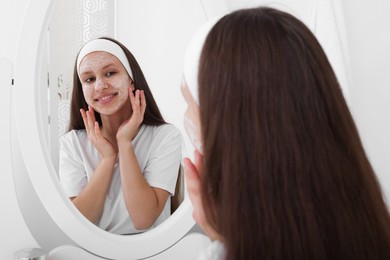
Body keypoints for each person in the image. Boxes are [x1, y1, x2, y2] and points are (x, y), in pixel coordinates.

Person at [181, 7, 390, 260]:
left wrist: (224, 239)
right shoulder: (370, 232)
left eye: (189, 104)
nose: (187, 118)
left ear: (232, 134)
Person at [59, 37, 183, 235]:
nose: (100, 86)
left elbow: (143, 219)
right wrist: (108, 158)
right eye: (89, 79)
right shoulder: (72, 143)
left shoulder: (165, 137)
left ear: (131, 79)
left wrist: (124, 143)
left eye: (110, 73)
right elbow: (78, 224)